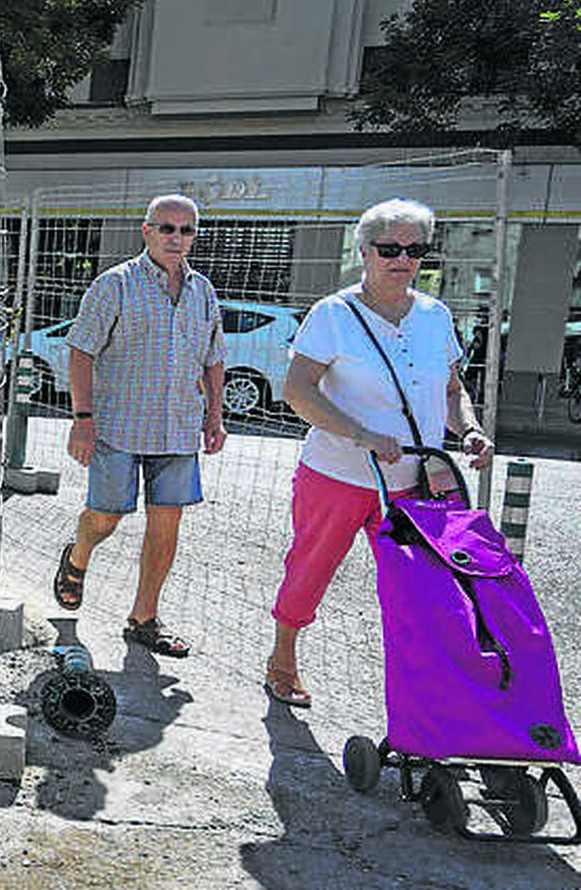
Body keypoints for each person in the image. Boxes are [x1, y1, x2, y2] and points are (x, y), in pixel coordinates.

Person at [264, 199, 494, 708]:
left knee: (424, 586)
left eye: (415, 250)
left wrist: (470, 431)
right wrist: (360, 432)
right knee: (311, 567)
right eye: (389, 248)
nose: (402, 259)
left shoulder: (435, 315)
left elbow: (451, 391)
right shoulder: (334, 314)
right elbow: (299, 391)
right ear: (365, 252)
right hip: (338, 475)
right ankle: (282, 659)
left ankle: (429, 687)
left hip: (416, 482)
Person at [52, 194, 227, 659]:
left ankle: (144, 618)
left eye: (186, 230)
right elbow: (81, 351)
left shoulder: (203, 291)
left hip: (178, 431)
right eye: (167, 228)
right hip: (118, 427)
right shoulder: (115, 285)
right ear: (146, 231)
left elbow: (213, 358)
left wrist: (215, 416)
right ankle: (78, 555)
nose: (176, 238)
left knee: (166, 525)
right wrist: (82, 420)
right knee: (105, 517)